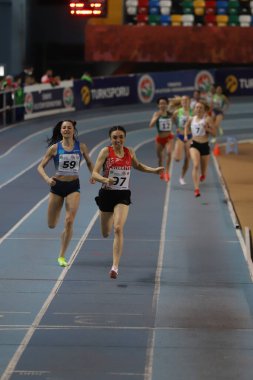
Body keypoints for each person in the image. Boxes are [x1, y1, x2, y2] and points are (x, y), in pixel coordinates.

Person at [92, 126, 164, 279]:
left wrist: (154, 170)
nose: (117, 140)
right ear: (110, 139)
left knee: (118, 228)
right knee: (106, 233)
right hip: (106, 194)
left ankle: (115, 267)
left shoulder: (129, 151)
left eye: (120, 137)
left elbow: (137, 166)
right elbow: (94, 173)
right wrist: (104, 179)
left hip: (123, 195)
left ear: (124, 138)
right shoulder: (105, 152)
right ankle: (108, 221)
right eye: (114, 137)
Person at [37, 120, 94, 267]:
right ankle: (63, 233)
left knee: (69, 220)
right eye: (64, 128)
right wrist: (47, 179)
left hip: (73, 186)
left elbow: (89, 162)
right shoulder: (54, 148)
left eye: (69, 127)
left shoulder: (81, 147)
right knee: (51, 224)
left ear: (73, 130)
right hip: (57, 186)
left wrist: (93, 174)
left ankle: (61, 256)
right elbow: (40, 167)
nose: (67, 129)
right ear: (61, 131)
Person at [184, 101, 216, 197]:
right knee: (196, 165)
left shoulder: (207, 119)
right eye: (196, 107)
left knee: (203, 170)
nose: (198, 109)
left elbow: (214, 133)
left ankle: (203, 174)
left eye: (200, 108)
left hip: (205, 145)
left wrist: (207, 129)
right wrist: (186, 136)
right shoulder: (191, 119)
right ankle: (196, 189)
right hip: (194, 144)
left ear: (204, 110)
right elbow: (186, 126)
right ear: (194, 109)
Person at [149, 97, 174, 182]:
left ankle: (167, 172)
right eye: (160, 103)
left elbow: (175, 120)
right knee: (160, 158)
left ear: (166, 105)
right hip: (160, 139)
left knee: (169, 153)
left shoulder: (170, 114)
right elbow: (151, 125)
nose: (162, 105)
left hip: (168, 138)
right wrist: (157, 117)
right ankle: (161, 171)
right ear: (158, 105)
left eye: (164, 103)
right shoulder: (156, 114)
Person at [173, 95, 193, 185]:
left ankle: (181, 177)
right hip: (180, 136)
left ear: (189, 102)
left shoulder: (193, 112)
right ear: (181, 102)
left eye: (186, 100)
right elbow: (173, 119)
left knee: (187, 158)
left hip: (189, 136)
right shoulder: (177, 112)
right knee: (177, 159)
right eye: (183, 101)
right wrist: (177, 127)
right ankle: (176, 152)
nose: (185, 102)